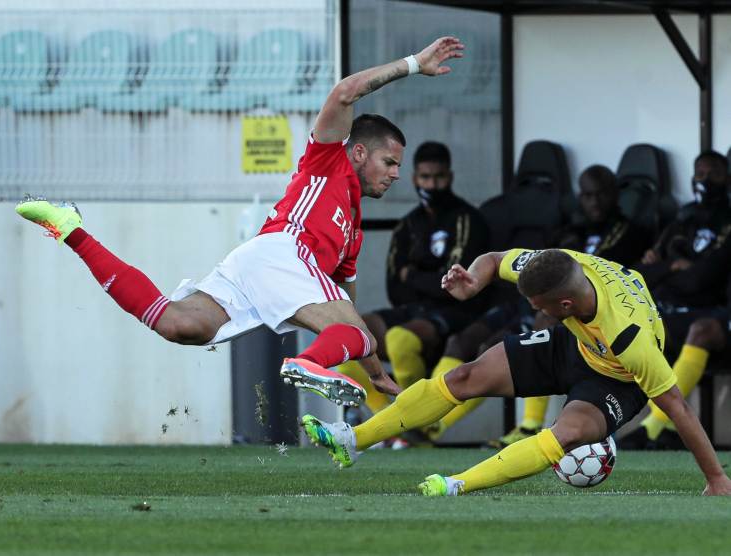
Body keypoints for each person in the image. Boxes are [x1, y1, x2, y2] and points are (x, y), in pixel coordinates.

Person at [14, 36, 465, 408]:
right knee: (353, 334)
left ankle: (70, 229)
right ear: (360, 151)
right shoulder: (328, 161)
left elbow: (345, 304)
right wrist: (413, 64)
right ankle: (306, 365)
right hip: (283, 252)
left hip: (260, 262)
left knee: (179, 325)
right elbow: (344, 92)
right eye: (389, 161)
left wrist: (373, 370)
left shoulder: (353, 229)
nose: (395, 174)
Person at [302, 248, 731, 496]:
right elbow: (494, 258)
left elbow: (678, 408)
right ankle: (352, 439)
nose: (532, 310)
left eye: (538, 305)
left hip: (616, 379)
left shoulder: (629, 336)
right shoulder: (559, 266)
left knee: (566, 433)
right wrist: (472, 280)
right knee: (465, 377)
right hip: (575, 343)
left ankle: (455, 485)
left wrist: (716, 479)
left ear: (564, 305)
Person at [488, 164, 653, 448]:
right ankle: (429, 429)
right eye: (587, 195)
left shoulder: (632, 232)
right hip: (556, 312)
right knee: (481, 343)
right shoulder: (570, 230)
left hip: (606, 327)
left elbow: (593, 274)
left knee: (546, 322)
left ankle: (530, 425)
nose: (594, 202)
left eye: (600, 194)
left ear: (615, 195)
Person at [337, 141, 490, 422]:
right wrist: (428, 280)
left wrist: (413, 275)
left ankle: (415, 420)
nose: (432, 185)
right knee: (348, 333)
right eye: (425, 177)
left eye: (439, 177)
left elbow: (454, 288)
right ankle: (390, 421)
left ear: (450, 177)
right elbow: (395, 288)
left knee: (400, 338)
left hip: (456, 314)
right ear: (415, 178)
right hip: (414, 311)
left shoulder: (467, 220)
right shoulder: (407, 225)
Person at [621, 150, 731, 449]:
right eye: (700, 173)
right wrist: (670, 265)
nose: (705, 180)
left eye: (714, 174)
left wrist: (672, 270)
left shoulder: (727, 219)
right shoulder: (684, 217)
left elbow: (701, 278)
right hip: (673, 307)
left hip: (709, 311)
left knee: (698, 329)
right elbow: (641, 273)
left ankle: (655, 427)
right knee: (635, 329)